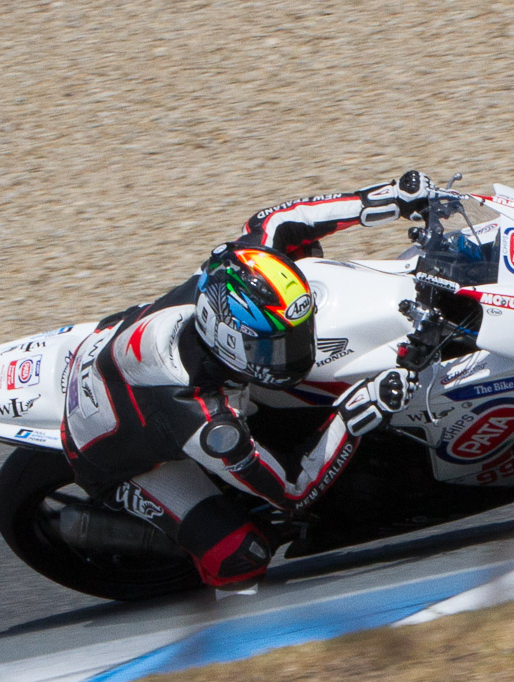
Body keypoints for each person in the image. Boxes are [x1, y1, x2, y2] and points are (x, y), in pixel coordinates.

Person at [61, 170, 434, 592]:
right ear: (228, 339)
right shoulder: (203, 419)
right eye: (276, 347)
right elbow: (294, 489)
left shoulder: (232, 275)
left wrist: (381, 200)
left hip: (116, 347)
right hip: (111, 455)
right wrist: (357, 410)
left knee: (299, 257)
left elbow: (277, 221)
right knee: (241, 557)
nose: (296, 352)